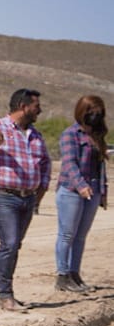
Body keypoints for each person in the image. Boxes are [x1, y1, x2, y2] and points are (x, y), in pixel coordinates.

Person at [0, 89, 50, 309]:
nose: (39, 109)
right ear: (23, 106)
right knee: (10, 244)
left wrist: (40, 192)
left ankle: (1, 291)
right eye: (36, 105)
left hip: (28, 198)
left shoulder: (35, 135)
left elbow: (44, 164)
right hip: (4, 196)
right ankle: (4, 294)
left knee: (14, 245)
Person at [54, 94, 108, 292]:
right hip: (71, 190)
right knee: (67, 234)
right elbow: (69, 163)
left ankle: (74, 274)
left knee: (81, 236)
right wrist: (81, 185)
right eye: (92, 112)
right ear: (82, 112)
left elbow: (100, 165)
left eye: (99, 113)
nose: (96, 116)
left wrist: (101, 191)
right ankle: (62, 275)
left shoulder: (96, 136)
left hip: (92, 189)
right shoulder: (70, 134)